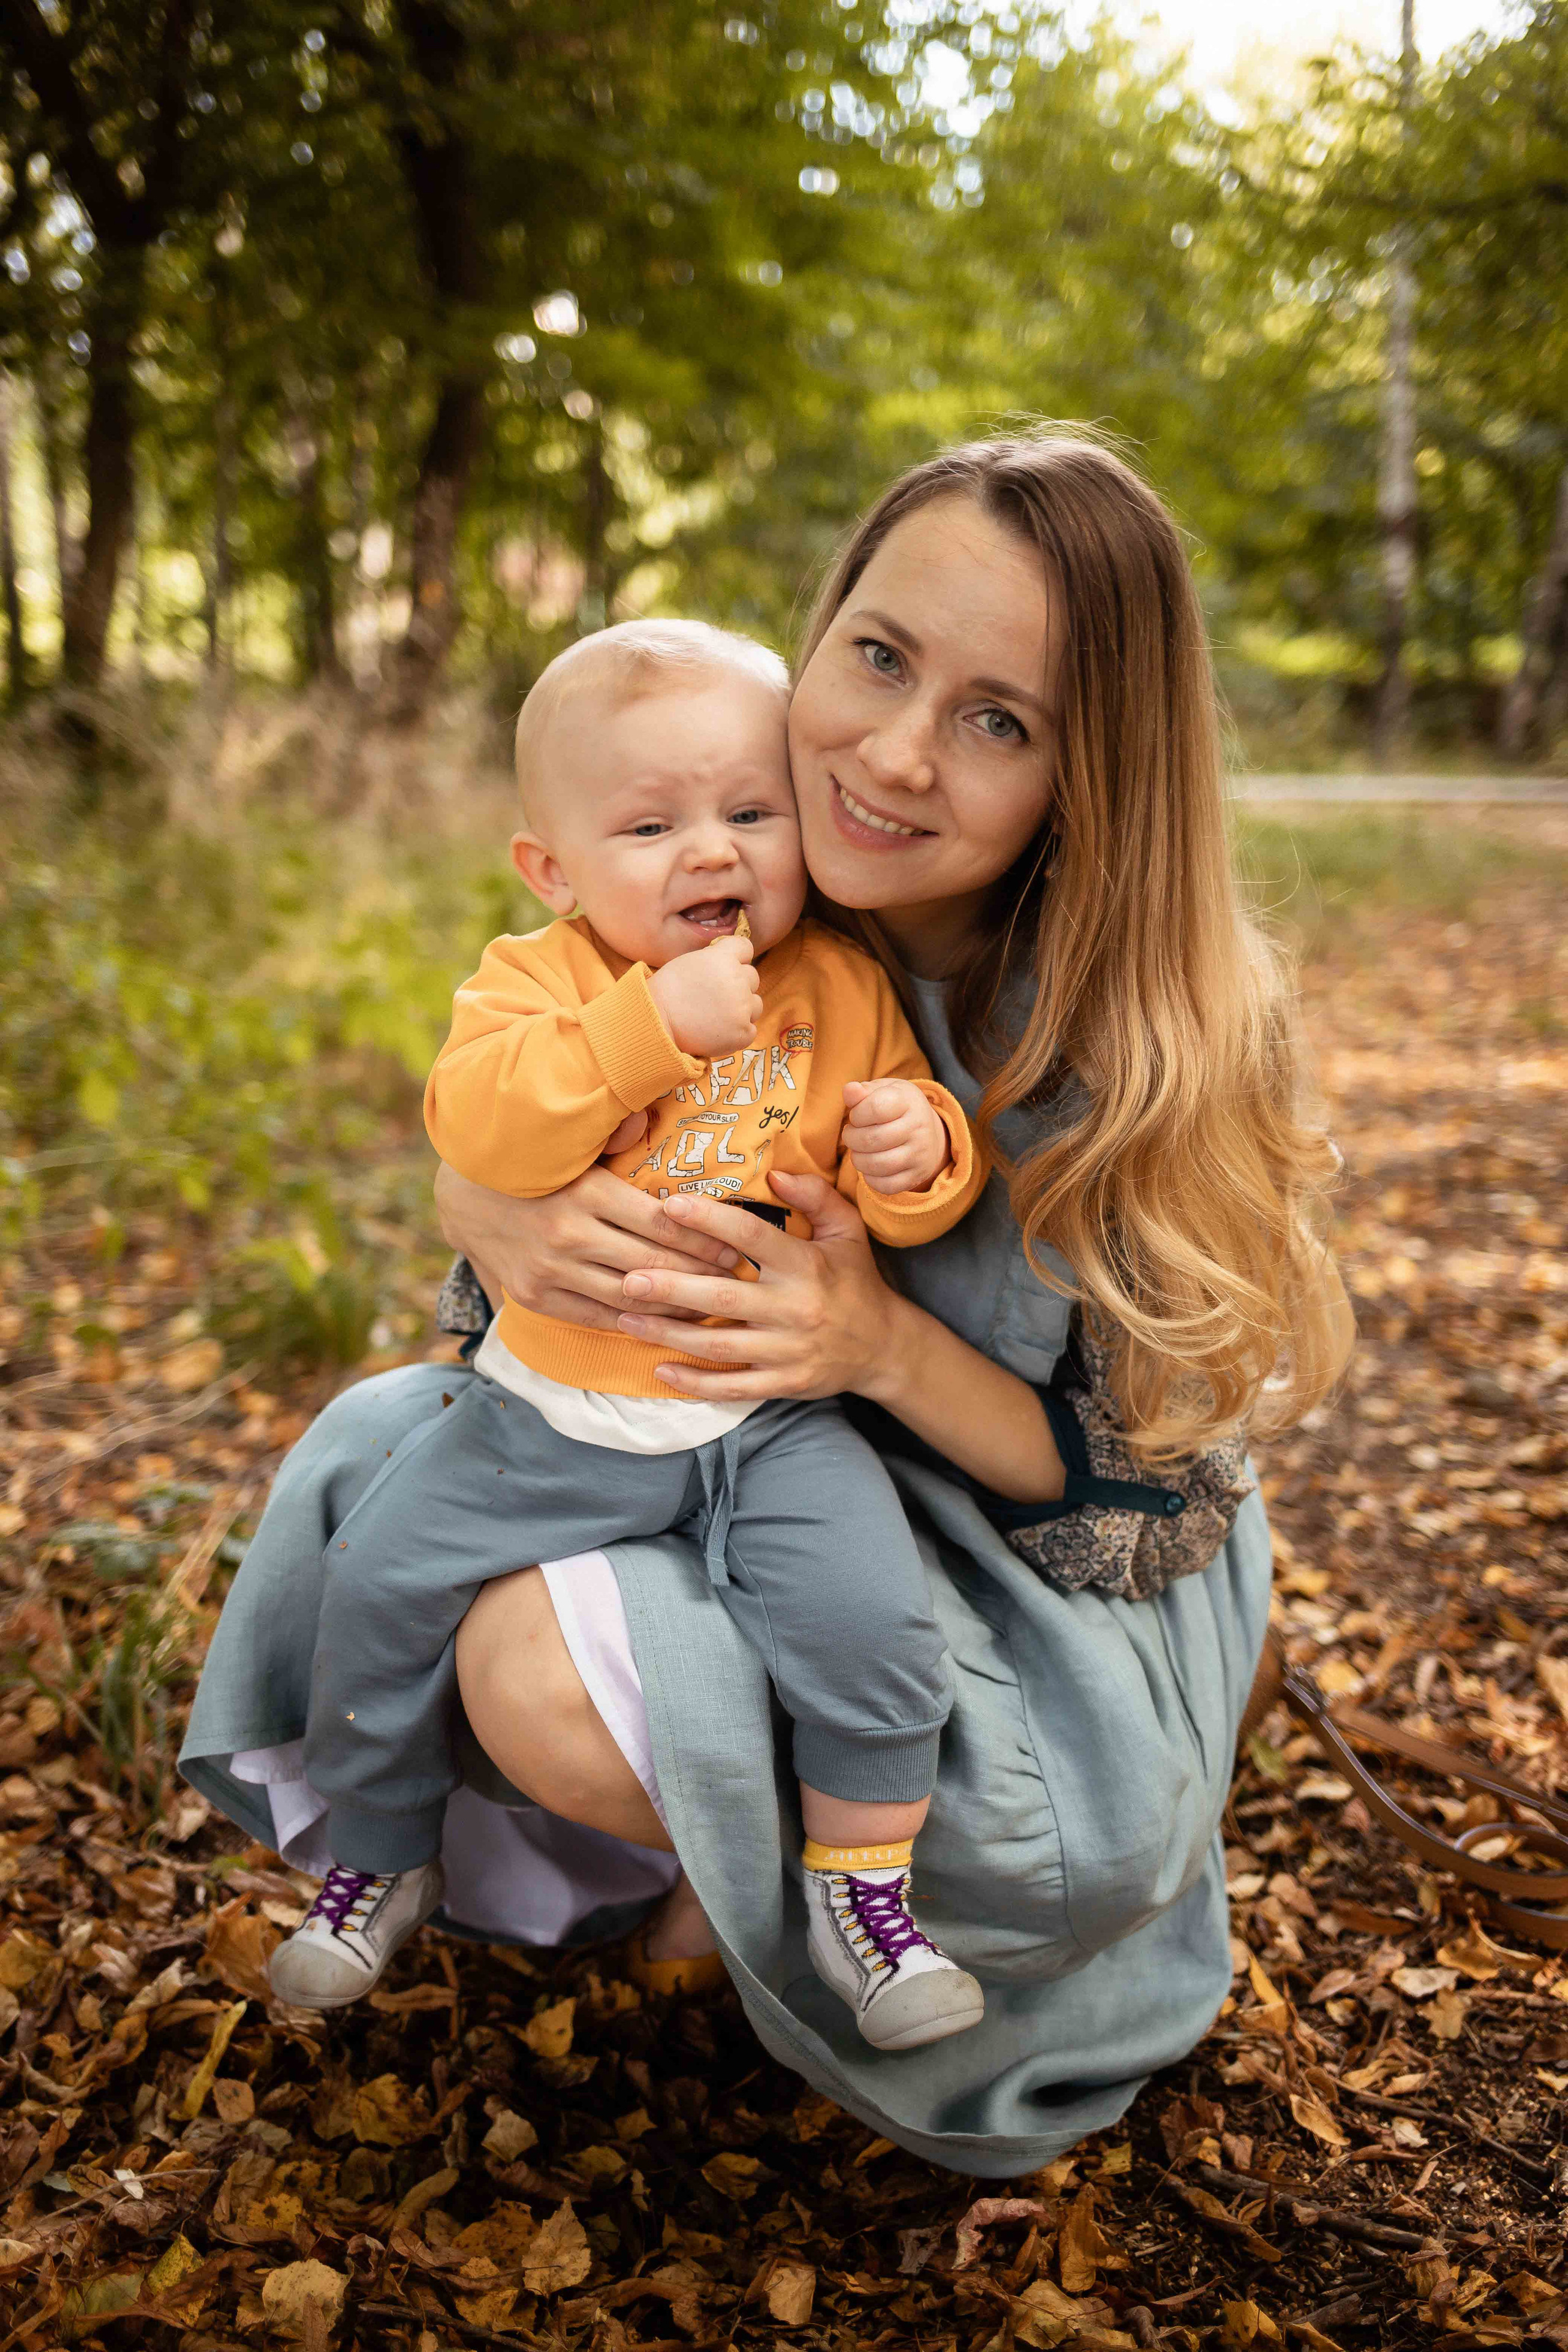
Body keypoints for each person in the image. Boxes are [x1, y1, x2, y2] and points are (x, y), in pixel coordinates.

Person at [182, 427, 1351, 2176]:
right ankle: (518, 1842)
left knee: (572, 1663)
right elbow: (541, 1110)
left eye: (999, 719)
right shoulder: (725, 884)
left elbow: (1132, 1494)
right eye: (879, 658)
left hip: (1031, 1579)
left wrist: (874, 1340)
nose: (891, 754)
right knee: (393, 1459)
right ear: (819, 637)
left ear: (1089, 772)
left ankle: (833, 1890)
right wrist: (484, 1198)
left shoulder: (1146, 1041)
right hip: (716, 1450)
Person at [270, 617, 992, 2051]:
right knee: (378, 1583)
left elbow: (892, 1200)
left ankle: (865, 1899)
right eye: (650, 825)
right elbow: (475, 1125)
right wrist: (646, 1027)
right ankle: (379, 1849)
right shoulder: (538, 982)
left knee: (868, 1618)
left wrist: (923, 1152)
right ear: (554, 869)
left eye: (746, 812)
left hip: (764, 1419)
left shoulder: (839, 986)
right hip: (551, 1415)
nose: (710, 852)